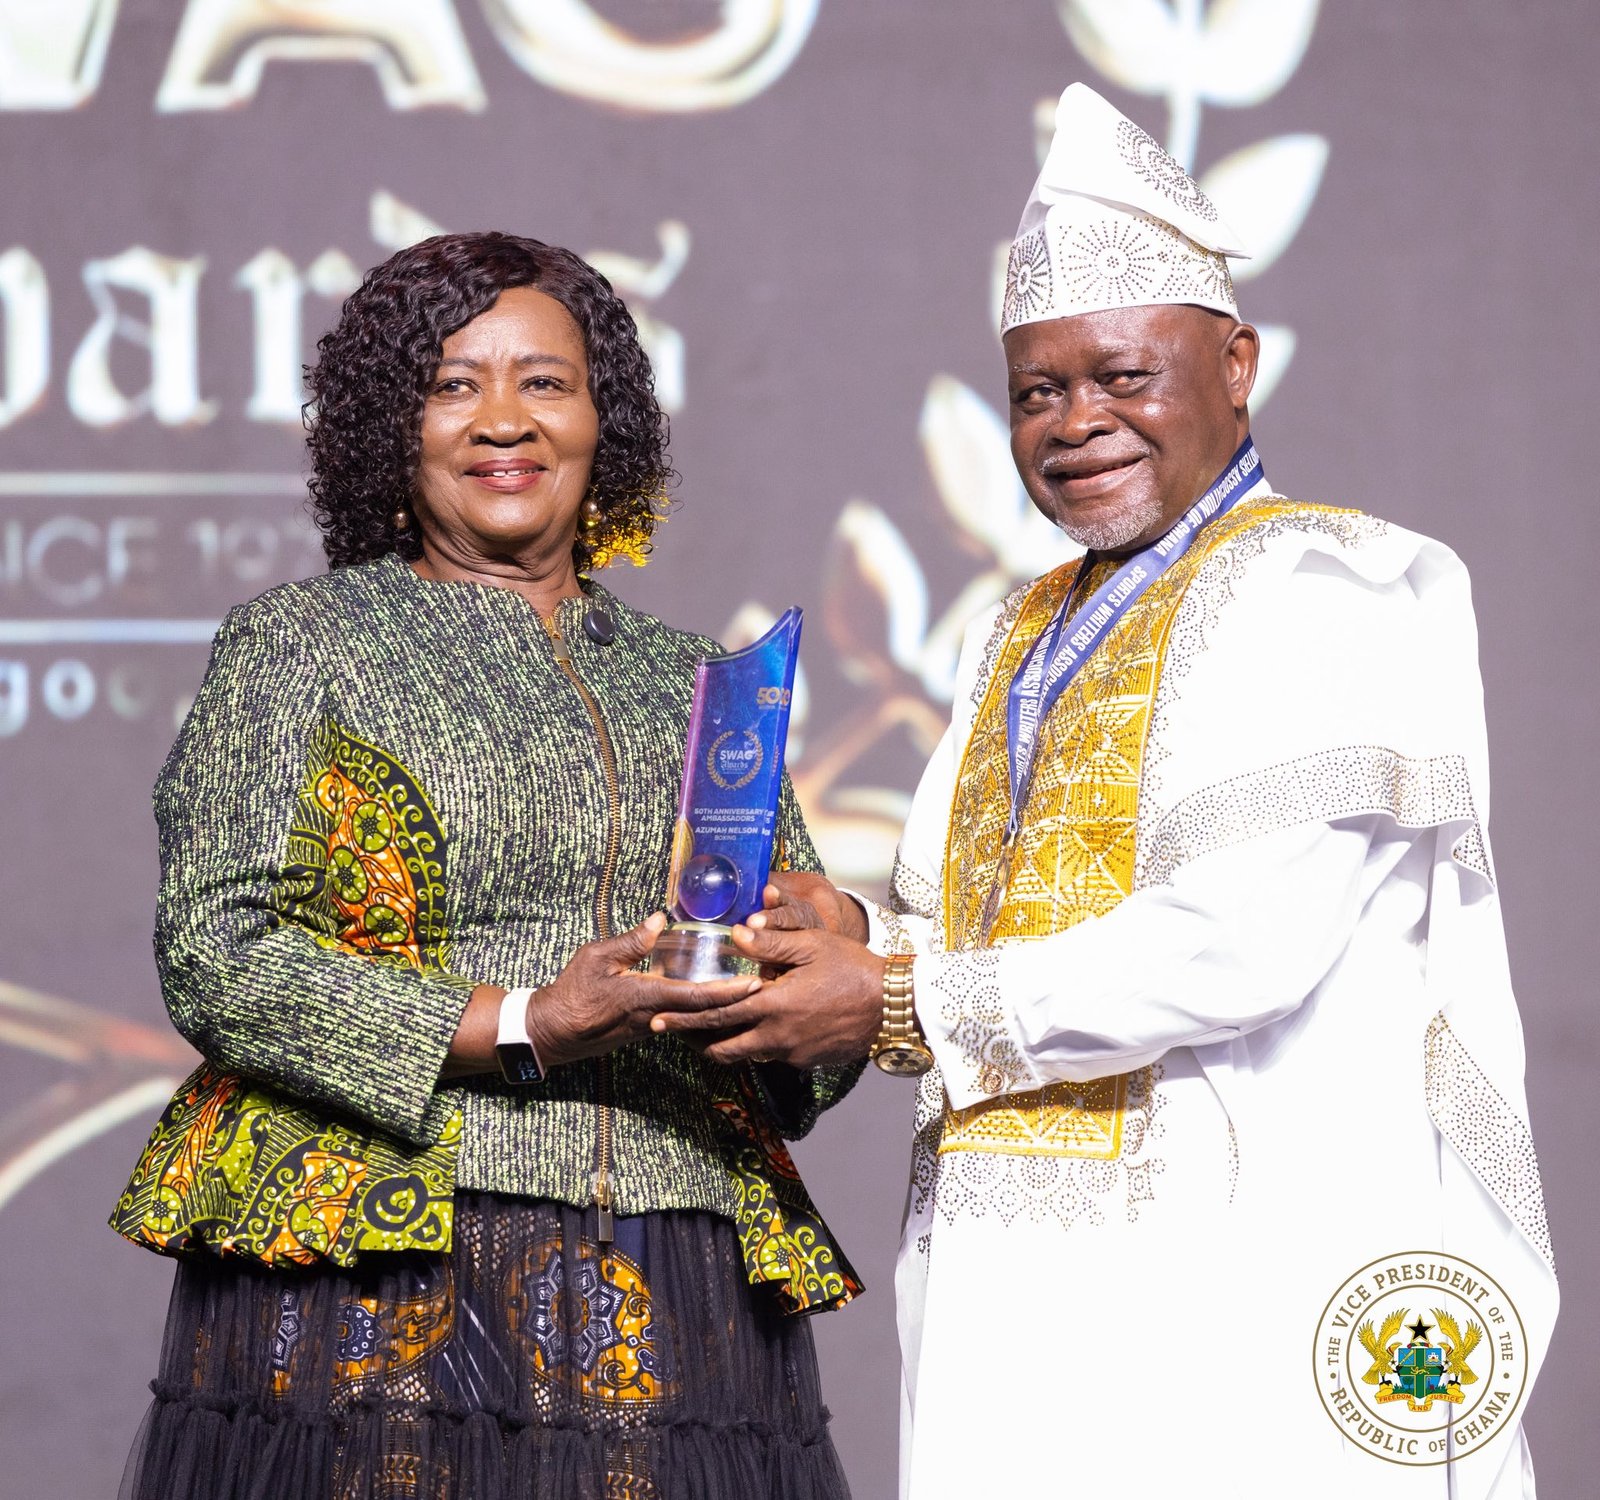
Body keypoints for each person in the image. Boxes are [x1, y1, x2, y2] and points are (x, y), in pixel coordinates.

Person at [651, 85, 1559, 1498]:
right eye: (1038, 390)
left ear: (1236, 363)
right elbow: (988, 931)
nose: (1077, 422)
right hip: (1014, 1279)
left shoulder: (1329, 585)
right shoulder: (1014, 627)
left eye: (1124, 377)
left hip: (1246, 1260)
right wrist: (855, 936)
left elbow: (1235, 943)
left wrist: (892, 999)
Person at [110, 231, 859, 1500]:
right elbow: (217, 955)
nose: (501, 420)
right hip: (382, 1270)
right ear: (390, 432)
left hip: (673, 1271)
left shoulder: (701, 682)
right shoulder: (301, 645)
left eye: (545, 383)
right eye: (453, 385)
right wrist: (527, 1020)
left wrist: (821, 963)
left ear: (601, 424)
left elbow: (798, 1050)